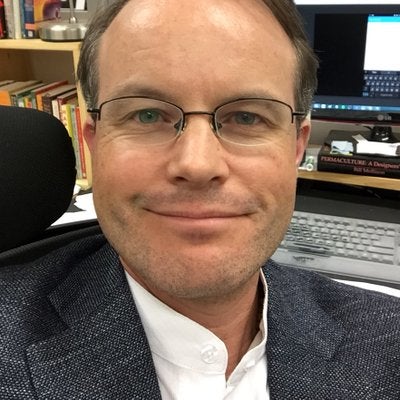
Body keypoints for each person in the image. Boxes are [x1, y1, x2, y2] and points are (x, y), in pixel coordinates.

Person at [1, 0, 400, 399]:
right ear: (93, 142)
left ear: (296, 146)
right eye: (146, 115)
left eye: (246, 117)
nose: (197, 164)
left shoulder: (387, 337)